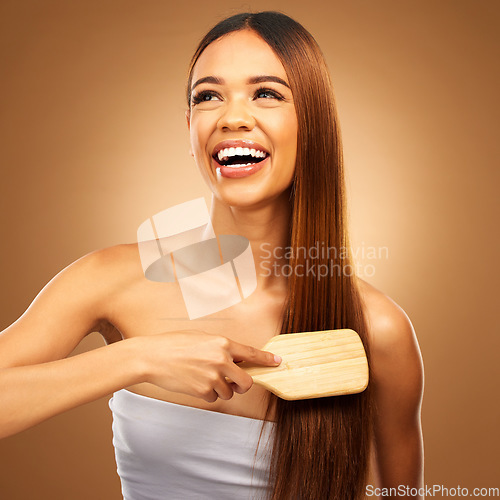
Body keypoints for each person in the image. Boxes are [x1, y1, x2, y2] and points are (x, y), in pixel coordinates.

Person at [0, 10, 424, 500]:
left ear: (313, 122)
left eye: (266, 93)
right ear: (189, 128)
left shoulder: (378, 330)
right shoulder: (109, 280)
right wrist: (136, 358)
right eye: (208, 96)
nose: (232, 117)